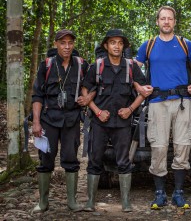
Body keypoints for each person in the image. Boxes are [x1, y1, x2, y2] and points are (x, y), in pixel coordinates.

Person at [135, 6, 191, 209]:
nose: (166, 22)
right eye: (162, 19)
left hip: (183, 102)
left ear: (174, 22)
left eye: (170, 19)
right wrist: (139, 87)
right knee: (159, 147)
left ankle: (179, 193)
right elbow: (131, 70)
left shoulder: (185, 44)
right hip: (157, 103)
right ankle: (160, 193)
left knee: (183, 146)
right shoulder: (148, 45)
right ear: (157, 22)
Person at [82, 29, 149, 212]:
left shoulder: (131, 66)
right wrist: (96, 111)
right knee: (95, 160)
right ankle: (90, 202)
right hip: (100, 122)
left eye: (120, 43)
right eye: (113, 43)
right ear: (106, 46)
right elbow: (85, 91)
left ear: (124, 46)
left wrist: (130, 109)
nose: (116, 46)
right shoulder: (97, 66)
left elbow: (143, 92)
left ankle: (126, 202)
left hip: (122, 122)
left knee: (124, 161)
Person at [31, 29, 90, 213]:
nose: (66, 46)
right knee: (45, 159)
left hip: (71, 119)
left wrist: (86, 98)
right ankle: (43, 201)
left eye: (70, 43)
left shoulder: (81, 65)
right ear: (56, 44)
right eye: (62, 43)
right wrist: (36, 122)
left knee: (70, 158)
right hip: (48, 119)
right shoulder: (46, 65)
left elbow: (92, 86)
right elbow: (37, 95)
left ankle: (72, 201)